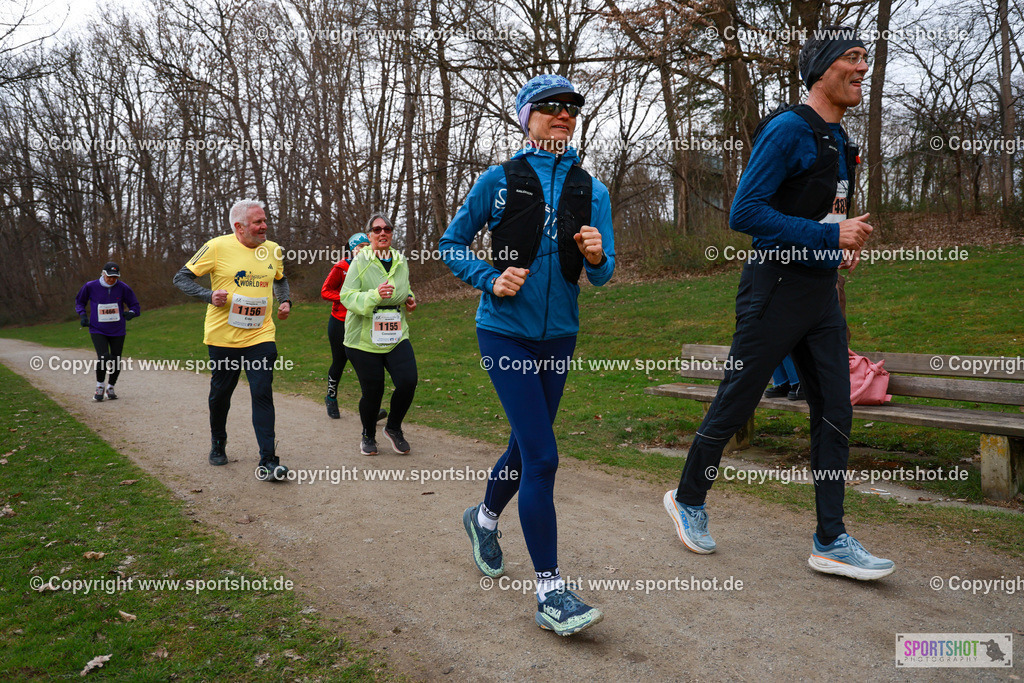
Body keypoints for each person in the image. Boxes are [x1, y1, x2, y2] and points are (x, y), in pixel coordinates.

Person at [664, 26, 894, 580]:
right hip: (774, 290)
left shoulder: (839, 139)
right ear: (821, 70)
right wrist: (826, 235)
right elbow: (745, 212)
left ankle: (830, 538)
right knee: (738, 399)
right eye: (852, 58)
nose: (863, 68)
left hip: (820, 295)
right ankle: (688, 498)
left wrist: (839, 244)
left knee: (835, 410)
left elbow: (821, 211)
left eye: (866, 58)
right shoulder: (789, 128)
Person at [440, 74, 615, 635]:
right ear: (526, 117)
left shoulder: (593, 190)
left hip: (559, 335)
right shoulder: (497, 181)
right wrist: (489, 278)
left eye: (571, 108)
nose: (563, 114)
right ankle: (550, 592)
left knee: (524, 445)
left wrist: (597, 256)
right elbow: (450, 244)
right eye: (550, 106)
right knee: (542, 458)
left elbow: (603, 275)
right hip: (504, 333)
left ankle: (484, 519)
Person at [172, 199, 292, 482]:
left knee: (262, 391)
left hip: (261, 334)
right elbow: (181, 278)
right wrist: (208, 295)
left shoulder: (273, 249)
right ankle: (218, 441)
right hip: (223, 337)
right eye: (257, 222)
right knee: (221, 394)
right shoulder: (216, 247)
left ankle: (268, 460)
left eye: (264, 220)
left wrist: (285, 300)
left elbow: (279, 278)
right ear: (239, 227)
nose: (264, 226)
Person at [339, 213, 418, 456]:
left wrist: (409, 297)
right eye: (377, 229)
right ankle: (368, 434)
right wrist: (375, 295)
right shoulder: (360, 261)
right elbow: (347, 296)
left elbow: (404, 286)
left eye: (387, 229)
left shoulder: (400, 259)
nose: (383, 232)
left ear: (391, 233)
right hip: (363, 339)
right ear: (370, 235)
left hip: (395, 333)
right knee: (373, 391)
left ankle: (393, 427)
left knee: (408, 381)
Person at [321, 233, 388, 423]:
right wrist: (346, 297)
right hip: (340, 321)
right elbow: (325, 291)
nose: (364, 249)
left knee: (365, 364)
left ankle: (371, 408)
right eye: (360, 246)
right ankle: (331, 398)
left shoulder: (373, 265)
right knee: (339, 362)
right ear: (352, 249)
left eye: (367, 245)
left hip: (362, 321)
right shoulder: (341, 267)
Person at [74, 262, 141, 401]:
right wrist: (83, 315)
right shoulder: (90, 286)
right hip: (97, 328)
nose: (111, 279)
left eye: (115, 277)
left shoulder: (123, 288)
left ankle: (111, 387)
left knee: (116, 360)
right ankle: (100, 386)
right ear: (103, 273)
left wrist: (131, 313)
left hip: (118, 329)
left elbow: (135, 306)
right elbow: (80, 302)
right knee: (103, 357)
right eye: (109, 276)